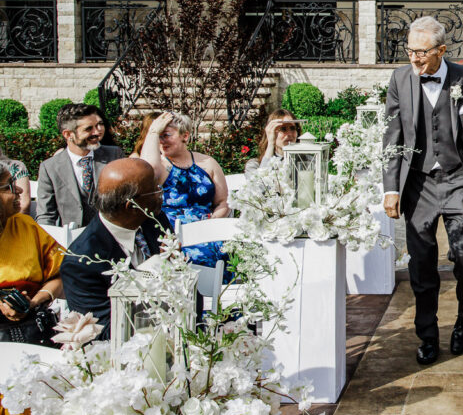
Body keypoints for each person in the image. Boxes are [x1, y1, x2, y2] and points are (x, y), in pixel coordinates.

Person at [382, 16, 463, 366]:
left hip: (459, 178)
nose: (414, 58)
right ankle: (427, 334)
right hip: (418, 183)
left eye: (422, 52)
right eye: (410, 50)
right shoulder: (399, 78)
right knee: (421, 263)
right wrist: (390, 189)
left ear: (442, 50)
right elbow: (392, 136)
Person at [61, 158, 169, 337]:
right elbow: (102, 332)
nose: (161, 193)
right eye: (155, 190)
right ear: (132, 206)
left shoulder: (155, 221)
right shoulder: (81, 263)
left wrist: (177, 271)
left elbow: (192, 298)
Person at [0, 164, 64, 415]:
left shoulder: (25, 225)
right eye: (6, 187)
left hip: (31, 334)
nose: (18, 191)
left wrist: (36, 300)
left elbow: (62, 274)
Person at [139, 112, 229, 270]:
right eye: (158, 136)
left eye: (166, 135)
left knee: (219, 255)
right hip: (171, 235)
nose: (161, 141)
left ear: (185, 136)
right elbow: (146, 169)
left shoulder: (207, 163)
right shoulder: (159, 166)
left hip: (207, 229)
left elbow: (223, 202)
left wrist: (211, 222)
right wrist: (152, 132)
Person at [36, 103, 125, 227]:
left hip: (112, 236)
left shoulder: (114, 155)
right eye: (89, 129)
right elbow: (46, 215)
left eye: (99, 125)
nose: (97, 132)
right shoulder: (50, 167)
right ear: (68, 135)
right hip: (73, 240)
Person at [245, 109, 301, 174]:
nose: (289, 134)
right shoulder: (253, 165)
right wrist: (271, 144)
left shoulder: (307, 162)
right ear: (271, 132)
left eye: (292, 128)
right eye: (283, 129)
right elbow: (260, 183)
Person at [0, 147, 31, 214]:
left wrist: (14, 221)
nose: (20, 190)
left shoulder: (15, 166)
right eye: (7, 187)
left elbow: (23, 205)